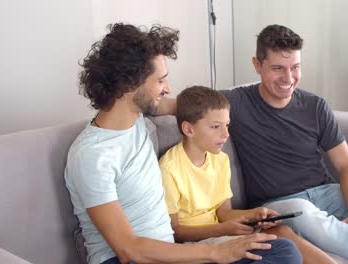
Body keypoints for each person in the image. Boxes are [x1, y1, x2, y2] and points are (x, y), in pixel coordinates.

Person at [64, 23, 302, 264]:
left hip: (169, 253)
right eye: (160, 81)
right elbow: (129, 249)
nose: (167, 89)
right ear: (129, 85)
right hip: (129, 258)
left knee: (283, 250)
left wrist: (238, 115)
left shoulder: (137, 115)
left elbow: (194, 109)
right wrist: (216, 252)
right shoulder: (92, 155)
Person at [215, 24, 348, 263]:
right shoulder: (233, 102)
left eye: (295, 67)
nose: (288, 78)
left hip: (326, 192)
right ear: (257, 65)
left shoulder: (315, 106)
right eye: (278, 68)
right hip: (280, 205)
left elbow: (346, 165)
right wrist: (164, 88)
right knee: (305, 214)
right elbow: (182, 105)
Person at [159, 85, 334, 264]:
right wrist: (221, 230)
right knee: (286, 251)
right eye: (216, 127)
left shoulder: (220, 160)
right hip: (198, 246)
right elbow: (175, 231)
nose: (226, 134)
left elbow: (224, 212)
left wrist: (255, 215)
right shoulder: (169, 169)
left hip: (220, 233)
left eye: (227, 125)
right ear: (189, 129)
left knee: (282, 232)